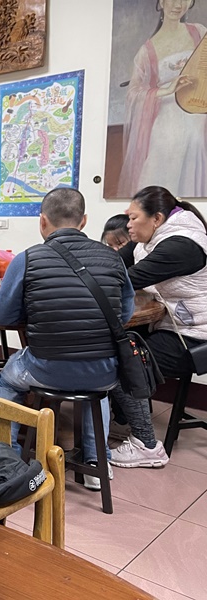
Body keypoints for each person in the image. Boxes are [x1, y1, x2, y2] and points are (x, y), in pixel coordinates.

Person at [0, 188, 140, 490]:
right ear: (84, 220)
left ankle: (5, 459)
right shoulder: (113, 260)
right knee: (97, 388)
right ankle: (97, 464)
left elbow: (3, 316)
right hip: (103, 371)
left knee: (8, 377)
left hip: (46, 367)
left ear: (42, 221)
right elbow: (124, 315)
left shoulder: (28, 258)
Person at [109, 185, 206, 467]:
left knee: (122, 360)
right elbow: (112, 262)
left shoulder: (181, 246)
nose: (128, 225)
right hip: (171, 326)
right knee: (115, 341)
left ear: (157, 218)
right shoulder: (149, 240)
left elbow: (124, 280)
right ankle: (124, 417)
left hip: (193, 338)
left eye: (133, 218)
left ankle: (146, 444)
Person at [117, 0, 207, 198]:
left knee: (198, 142)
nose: (178, 5)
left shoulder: (199, 32)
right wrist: (166, 89)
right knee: (165, 161)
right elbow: (133, 92)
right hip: (168, 120)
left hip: (199, 112)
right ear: (161, 2)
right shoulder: (147, 50)